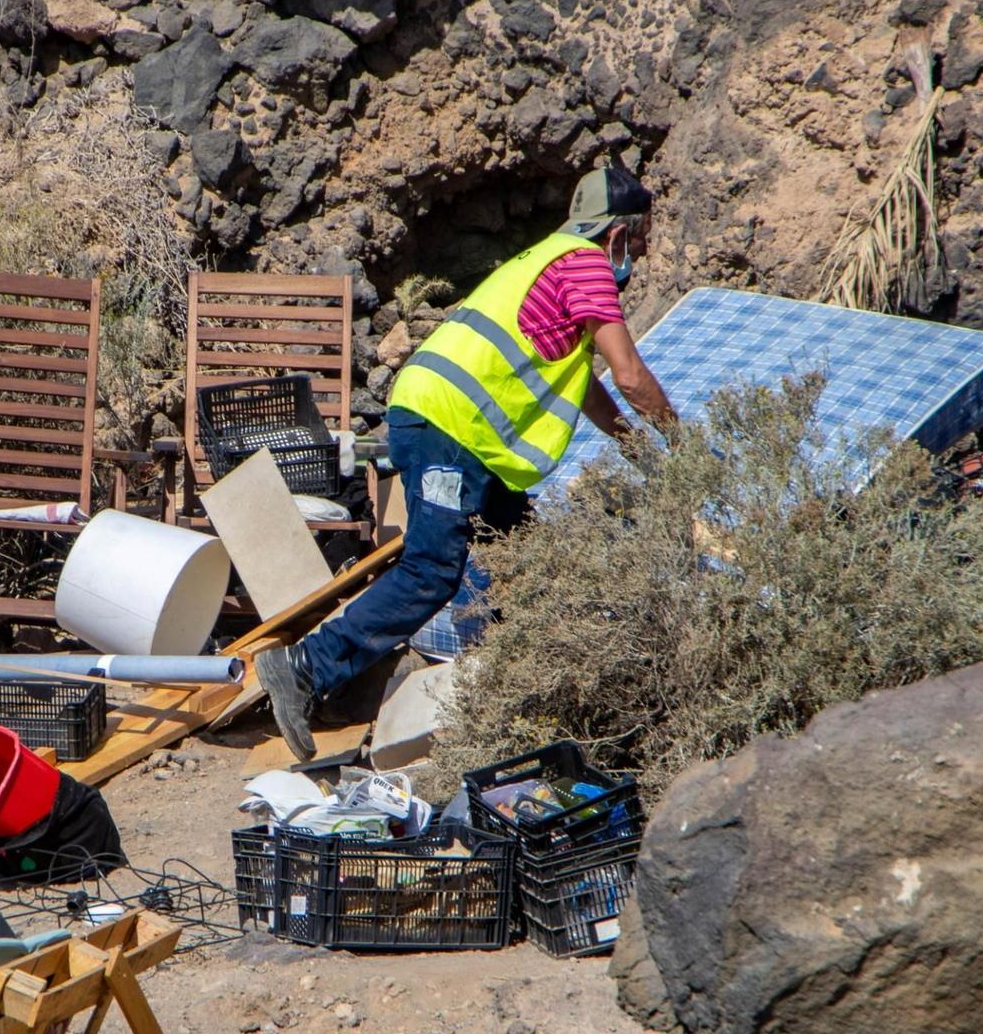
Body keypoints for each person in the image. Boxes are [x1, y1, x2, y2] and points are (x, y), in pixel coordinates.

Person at [258, 166, 680, 762]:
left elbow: (589, 387)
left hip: (467, 439)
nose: (639, 254)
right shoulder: (585, 264)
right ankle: (304, 666)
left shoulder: (544, 262)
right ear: (616, 234)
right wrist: (680, 450)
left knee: (529, 563)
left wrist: (634, 447)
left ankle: (532, 691)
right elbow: (631, 375)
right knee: (433, 570)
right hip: (446, 429)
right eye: (638, 240)